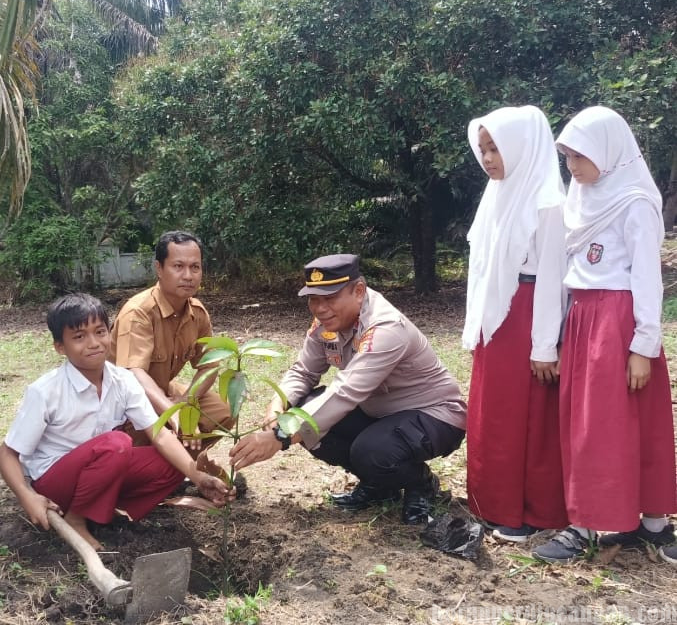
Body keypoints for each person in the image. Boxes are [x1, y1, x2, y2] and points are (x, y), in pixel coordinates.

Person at [531, 106, 677, 563]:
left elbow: (647, 279)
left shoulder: (634, 202)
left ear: (608, 152)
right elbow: (565, 272)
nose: (573, 166)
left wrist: (642, 346)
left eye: (580, 155)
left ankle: (653, 523)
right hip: (582, 320)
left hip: (619, 321)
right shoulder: (578, 200)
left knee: (631, 423)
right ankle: (585, 523)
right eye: (568, 156)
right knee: (586, 424)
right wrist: (552, 336)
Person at [229, 254, 467, 525]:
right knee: (300, 409)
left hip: (433, 415)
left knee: (370, 450)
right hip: (380, 413)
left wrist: (280, 436)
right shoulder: (326, 326)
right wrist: (278, 405)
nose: (319, 308)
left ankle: (420, 483)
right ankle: (380, 486)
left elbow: (344, 392)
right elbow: (304, 371)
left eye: (329, 298)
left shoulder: (385, 328)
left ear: (359, 291)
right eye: (313, 299)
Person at [0, 293, 233, 550]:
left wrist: (198, 478)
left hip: (100, 475)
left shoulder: (122, 380)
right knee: (117, 443)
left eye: (100, 332)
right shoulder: (45, 391)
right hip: (56, 483)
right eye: (79, 337)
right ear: (60, 347)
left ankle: (108, 510)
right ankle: (77, 520)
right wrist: (27, 496)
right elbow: (7, 455)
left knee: (175, 463)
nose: (93, 343)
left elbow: (160, 434)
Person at [462, 105, 569, 543]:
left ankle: (528, 510)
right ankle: (492, 501)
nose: (488, 158)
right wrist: (475, 325)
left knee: (525, 414)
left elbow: (553, 278)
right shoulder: (497, 195)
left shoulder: (549, 203)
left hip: (525, 313)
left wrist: (544, 344)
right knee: (494, 411)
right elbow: (482, 266)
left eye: (496, 148)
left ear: (523, 148)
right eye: (483, 149)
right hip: (497, 318)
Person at [110, 231, 233, 454]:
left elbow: (210, 364)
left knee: (221, 411)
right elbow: (132, 374)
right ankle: (158, 470)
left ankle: (178, 469)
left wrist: (185, 403)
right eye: (178, 266)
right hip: (123, 403)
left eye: (195, 267)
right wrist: (174, 413)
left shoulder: (197, 313)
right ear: (159, 268)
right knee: (131, 441)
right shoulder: (139, 312)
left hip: (164, 392)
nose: (188, 275)